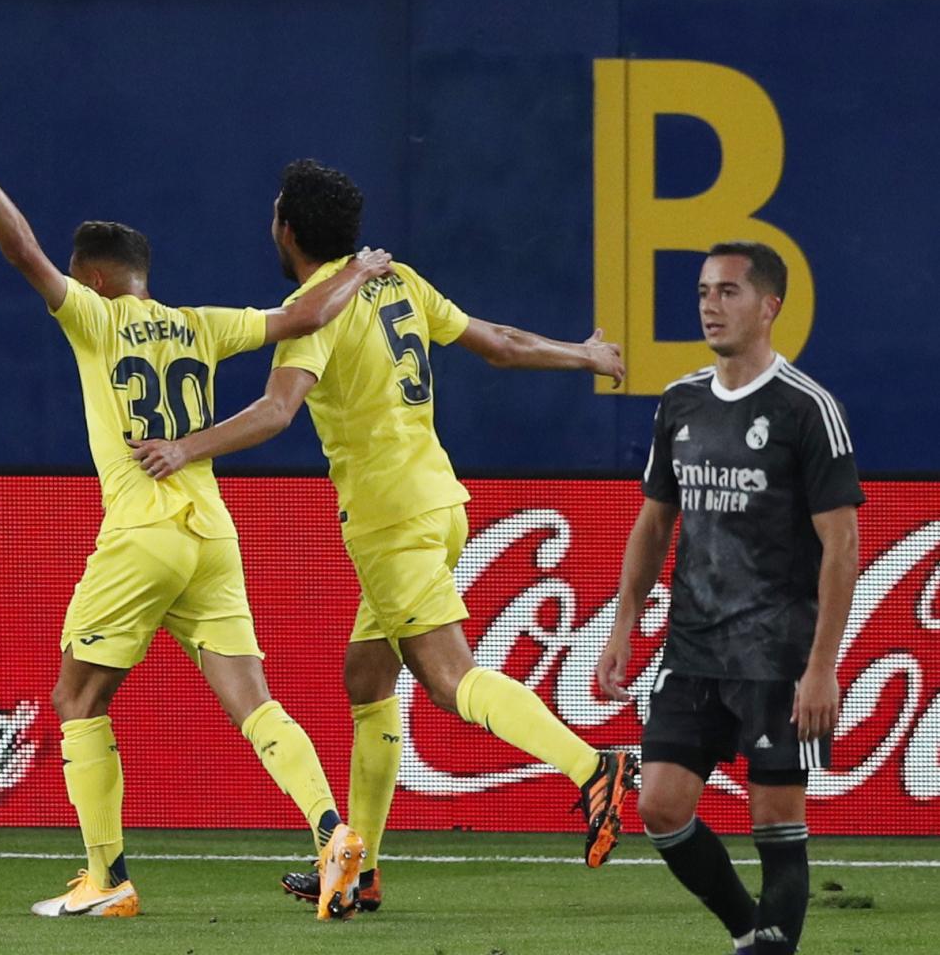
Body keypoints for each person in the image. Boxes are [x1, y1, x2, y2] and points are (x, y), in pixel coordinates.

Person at [129, 158, 633, 913]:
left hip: (392, 520)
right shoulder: (396, 281)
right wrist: (584, 353)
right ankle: (358, 870)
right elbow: (496, 341)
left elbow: (275, 411)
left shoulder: (314, 307)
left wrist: (184, 447)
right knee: (367, 678)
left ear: (288, 231)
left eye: (274, 214)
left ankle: (592, 766)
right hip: (438, 500)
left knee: (445, 676)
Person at [0, 145, 392, 919]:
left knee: (77, 698)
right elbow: (304, 313)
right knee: (254, 701)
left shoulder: (95, 317)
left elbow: (22, 252)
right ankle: (331, 830)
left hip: (142, 529)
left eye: (77, 273)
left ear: (95, 278)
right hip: (211, 532)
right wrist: (358, 272)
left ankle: (107, 880)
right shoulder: (201, 325)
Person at [595, 242, 861, 955]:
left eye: (729, 291)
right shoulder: (679, 403)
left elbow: (844, 546)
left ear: (769, 306)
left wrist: (822, 666)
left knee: (775, 825)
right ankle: (751, 934)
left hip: (778, 658)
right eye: (705, 291)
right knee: (658, 806)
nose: (711, 304)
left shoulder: (808, 410)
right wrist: (622, 626)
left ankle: (766, 945)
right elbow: (654, 524)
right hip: (693, 651)